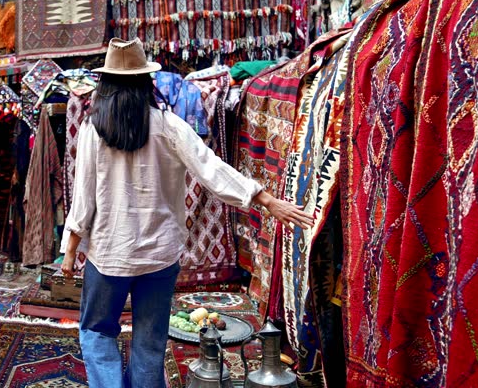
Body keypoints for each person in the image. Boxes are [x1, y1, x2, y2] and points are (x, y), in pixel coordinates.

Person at [60, 38, 314, 388]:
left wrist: (71, 250)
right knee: (150, 341)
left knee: (97, 331)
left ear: (105, 84)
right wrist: (266, 200)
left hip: (110, 254)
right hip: (160, 255)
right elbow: (212, 169)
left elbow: (83, 198)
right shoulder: (168, 125)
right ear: (146, 82)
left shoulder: (93, 130)